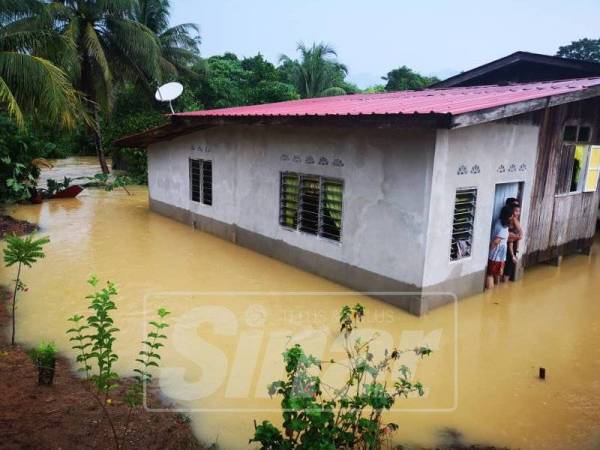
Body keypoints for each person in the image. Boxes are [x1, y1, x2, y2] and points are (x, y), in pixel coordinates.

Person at [486, 206, 513, 289]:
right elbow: (496, 241)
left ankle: (495, 291)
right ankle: (492, 293)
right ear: (508, 216)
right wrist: (488, 252)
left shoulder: (498, 222)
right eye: (511, 215)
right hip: (496, 255)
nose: (512, 217)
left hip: (497, 254)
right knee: (490, 274)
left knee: (495, 273)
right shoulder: (504, 228)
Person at [504, 198, 523, 282]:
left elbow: (515, 237)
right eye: (515, 211)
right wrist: (516, 236)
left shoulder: (511, 220)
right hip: (508, 246)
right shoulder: (513, 220)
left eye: (518, 211)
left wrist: (513, 236)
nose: (517, 213)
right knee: (507, 267)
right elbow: (520, 235)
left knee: (506, 267)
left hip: (510, 245)